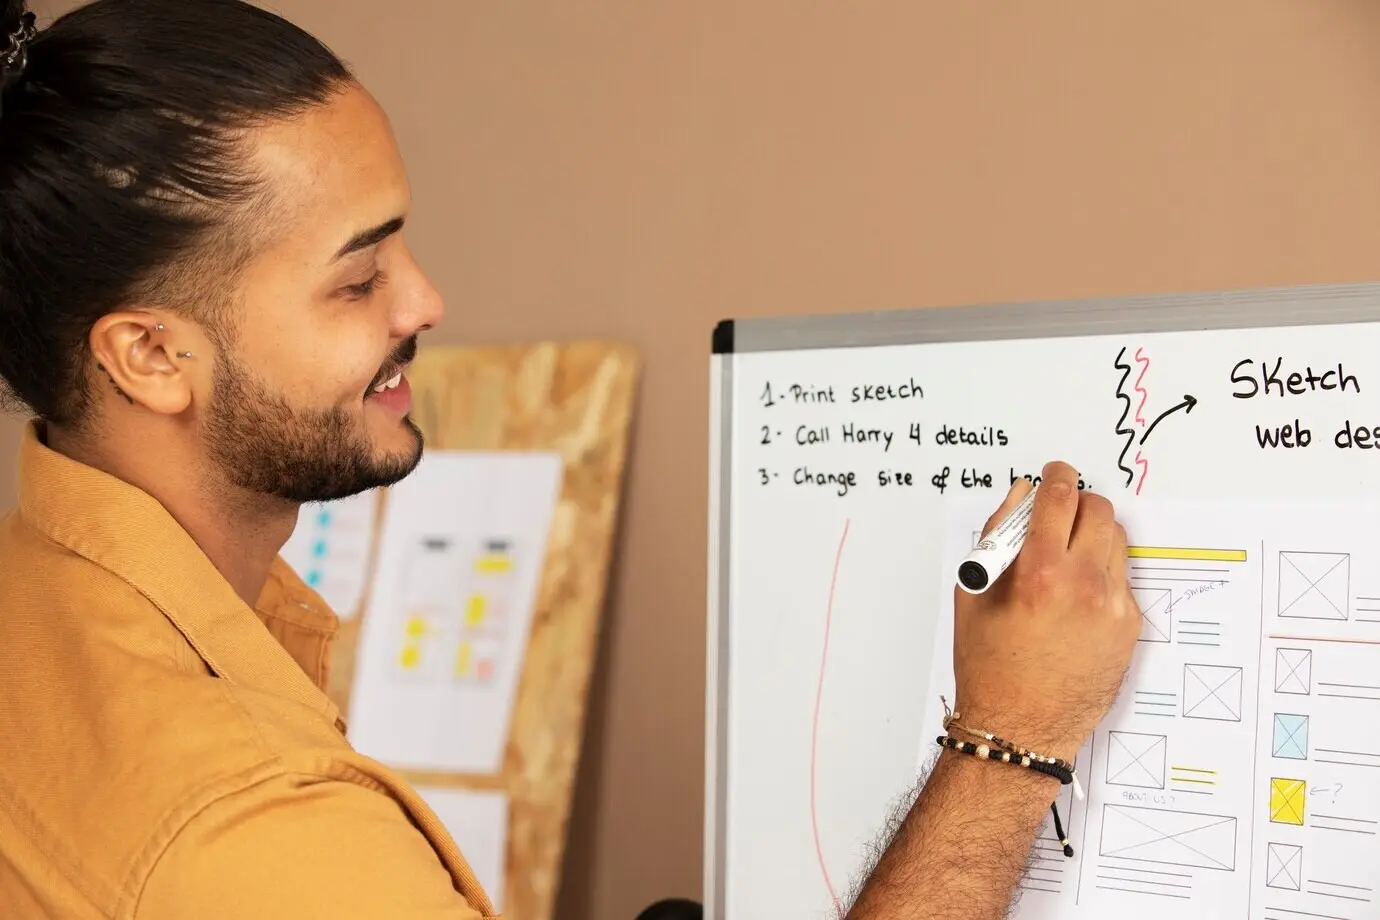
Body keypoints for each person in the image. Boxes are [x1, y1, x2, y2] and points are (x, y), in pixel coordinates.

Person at [0, 1, 1141, 918]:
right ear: (152, 355)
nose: (425, 301)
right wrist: (1009, 740)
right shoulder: (249, 825)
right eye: (357, 280)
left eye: (403, 245)